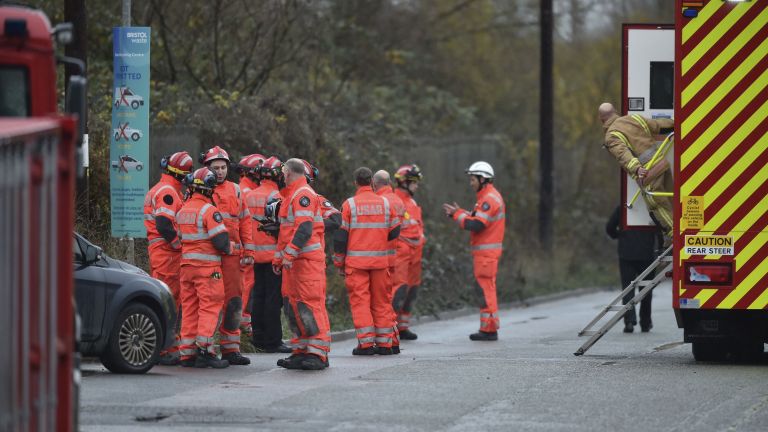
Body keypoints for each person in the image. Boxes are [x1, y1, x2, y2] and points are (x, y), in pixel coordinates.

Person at [334, 167, 401, 355]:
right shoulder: (385, 203)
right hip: (380, 263)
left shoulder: (349, 205)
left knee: (361, 303)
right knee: (382, 303)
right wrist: (378, 238)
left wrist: (339, 263)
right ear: (372, 182)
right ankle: (385, 345)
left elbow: (340, 238)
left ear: (355, 182)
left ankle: (366, 345)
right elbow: (395, 230)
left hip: (356, 265)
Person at [273, 158, 331, 370]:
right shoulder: (291, 196)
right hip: (294, 264)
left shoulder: (303, 194)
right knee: (293, 307)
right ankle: (301, 350)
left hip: (306, 263)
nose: (281, 176)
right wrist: (279, 258)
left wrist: (287, 255)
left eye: (283, 172)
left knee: (310, 305)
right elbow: (286, 233)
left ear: (288, 172)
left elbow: (304, 229)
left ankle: (317, 353)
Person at [200, 146, 254, 366]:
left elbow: (245, 221)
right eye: (216, 168)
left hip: (232, 257)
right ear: (208, 168)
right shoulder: (201, 188)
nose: (220, 172)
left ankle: (231, 349)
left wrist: (249, 250)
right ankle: (205, 349)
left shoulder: (236, 190)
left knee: (233, 301)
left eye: (223, 167)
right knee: (209, 301)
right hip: (209, 255)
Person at [443, 161, 505, 341]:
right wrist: (460, 212)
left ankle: (489, 330)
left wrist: (456, 215)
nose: (470, 183)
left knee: (485, 291)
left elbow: (476, 225)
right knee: (485, 290)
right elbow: (477, 217)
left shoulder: (489, 199)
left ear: (482, 179)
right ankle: (488, 328)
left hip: (486, 256)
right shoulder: (487, 197)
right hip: (486, 255)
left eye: (472, 179)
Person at [177, 168, 231, 368]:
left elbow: (180, 237)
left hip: (186, 267)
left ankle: (187, 352)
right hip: (207, 269)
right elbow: (221, 242)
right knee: (210, 306)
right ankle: (205, 350)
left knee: (189, 307)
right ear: (209, 189)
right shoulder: (209, 211)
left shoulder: (182, 211)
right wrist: (232, 247)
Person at [143, 151, 193, 365]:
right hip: (167, 255)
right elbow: (164, 224)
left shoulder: (161, 188)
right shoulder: (168, 192)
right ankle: (168, 349)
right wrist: (178, 246)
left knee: (164, 299)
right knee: (170, 301)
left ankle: (164, 347)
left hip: (160, 253)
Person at [598, 102, 674, 239]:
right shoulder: (634, 118)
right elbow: (658, 125)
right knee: (671, 201)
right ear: (615, 111)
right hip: (662, 164)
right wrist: (677, 123)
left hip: (648, 173)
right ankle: (673, 237)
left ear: (601, 119)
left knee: (657, 205)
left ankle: (674, 235)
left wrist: (637, 168)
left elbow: (623, 155)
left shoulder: (611, 135)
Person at [244, 156, 291, 353]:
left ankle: (259, 338)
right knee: (273, 299)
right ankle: (273, 340)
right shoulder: (278, 197)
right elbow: (282, 228)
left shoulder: (248, 196)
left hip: (254, 255)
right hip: (272, 256)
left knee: (258, 296)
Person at [606, 205, 661, 333]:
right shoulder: (650, 206)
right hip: (646, 254)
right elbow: (660, 229)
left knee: (627, 289)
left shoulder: (623, 207)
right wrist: (661, 247)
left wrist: (619, 235)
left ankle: (629, 321)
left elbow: (609, 227)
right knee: (646, 290)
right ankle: (645, 323)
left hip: (626, 254)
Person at [372, 169, 406, 354]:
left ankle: (390, 341)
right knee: (386, 300)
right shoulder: (398, 201)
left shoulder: (381, 202)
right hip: (395, 255)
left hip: (381, 258)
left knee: (382, 302)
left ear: (375, 184)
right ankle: (392, 339)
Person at [392, 164, 425, 341]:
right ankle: (389, 327)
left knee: (412, 290)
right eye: (414, 182)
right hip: (402, 252)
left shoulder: (412, 202)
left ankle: (403, 326)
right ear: (404, 182)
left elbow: (418, 225)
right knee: (399, 288)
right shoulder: (395, 201)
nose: (416, 186)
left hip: (415, 253)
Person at [236, 154, 265, 339]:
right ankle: (243, 325)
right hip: (246, 247)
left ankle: (245, 325)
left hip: (244, 246)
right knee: (246, 285)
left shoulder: (243, 189)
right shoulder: (248, 192)